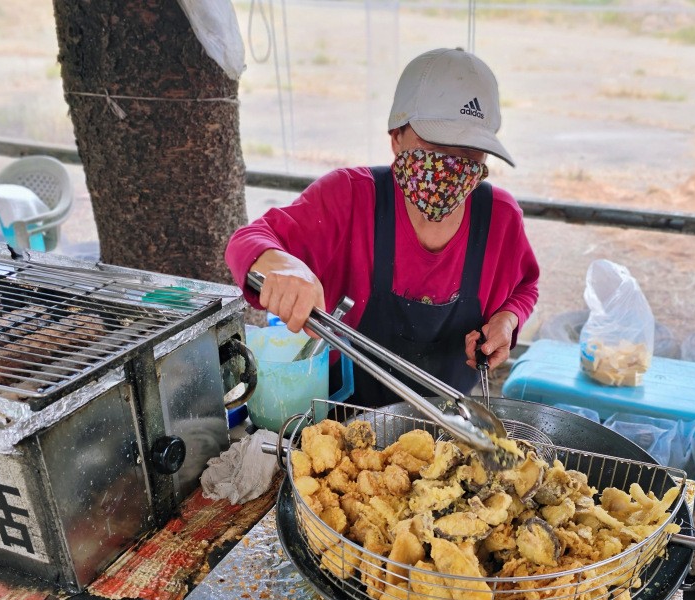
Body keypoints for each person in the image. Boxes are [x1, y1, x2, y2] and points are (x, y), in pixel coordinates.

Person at [225, 47, 539, 407]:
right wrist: (282, 264)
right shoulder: (349, 198)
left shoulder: (499, 218)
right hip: (342, 422)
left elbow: (525, 286)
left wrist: (507, 320)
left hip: (449, 429)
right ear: (396, 136)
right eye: (436, 145)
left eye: (470, 152)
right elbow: (245, 242)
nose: (452, 166)